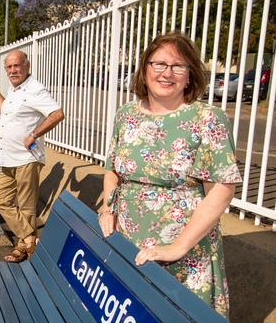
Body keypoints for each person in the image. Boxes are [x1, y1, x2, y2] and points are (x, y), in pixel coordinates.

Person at [98, 32, 242, 317]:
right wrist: (106, 209)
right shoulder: (126, 114)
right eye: (159, 64)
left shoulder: (207, 119)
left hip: (184, 253)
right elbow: (113, 170)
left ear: (190, 76)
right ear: (145, 69)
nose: (167, 73)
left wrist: (176, 247)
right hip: (130, 240)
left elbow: (222, 188)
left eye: (178, 66)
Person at [0, 50, 64, 262]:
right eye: (8, 67)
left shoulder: (35, 89)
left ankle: (23, 248)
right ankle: (29, 239)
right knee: (0, 200)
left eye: (16, 66)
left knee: (26, 206)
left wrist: (34, 134)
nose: (12, 70)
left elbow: (57, 113)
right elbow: (4, 107)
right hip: (8, 158)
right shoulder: (15, 90)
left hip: (27, 158)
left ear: (26, 66)